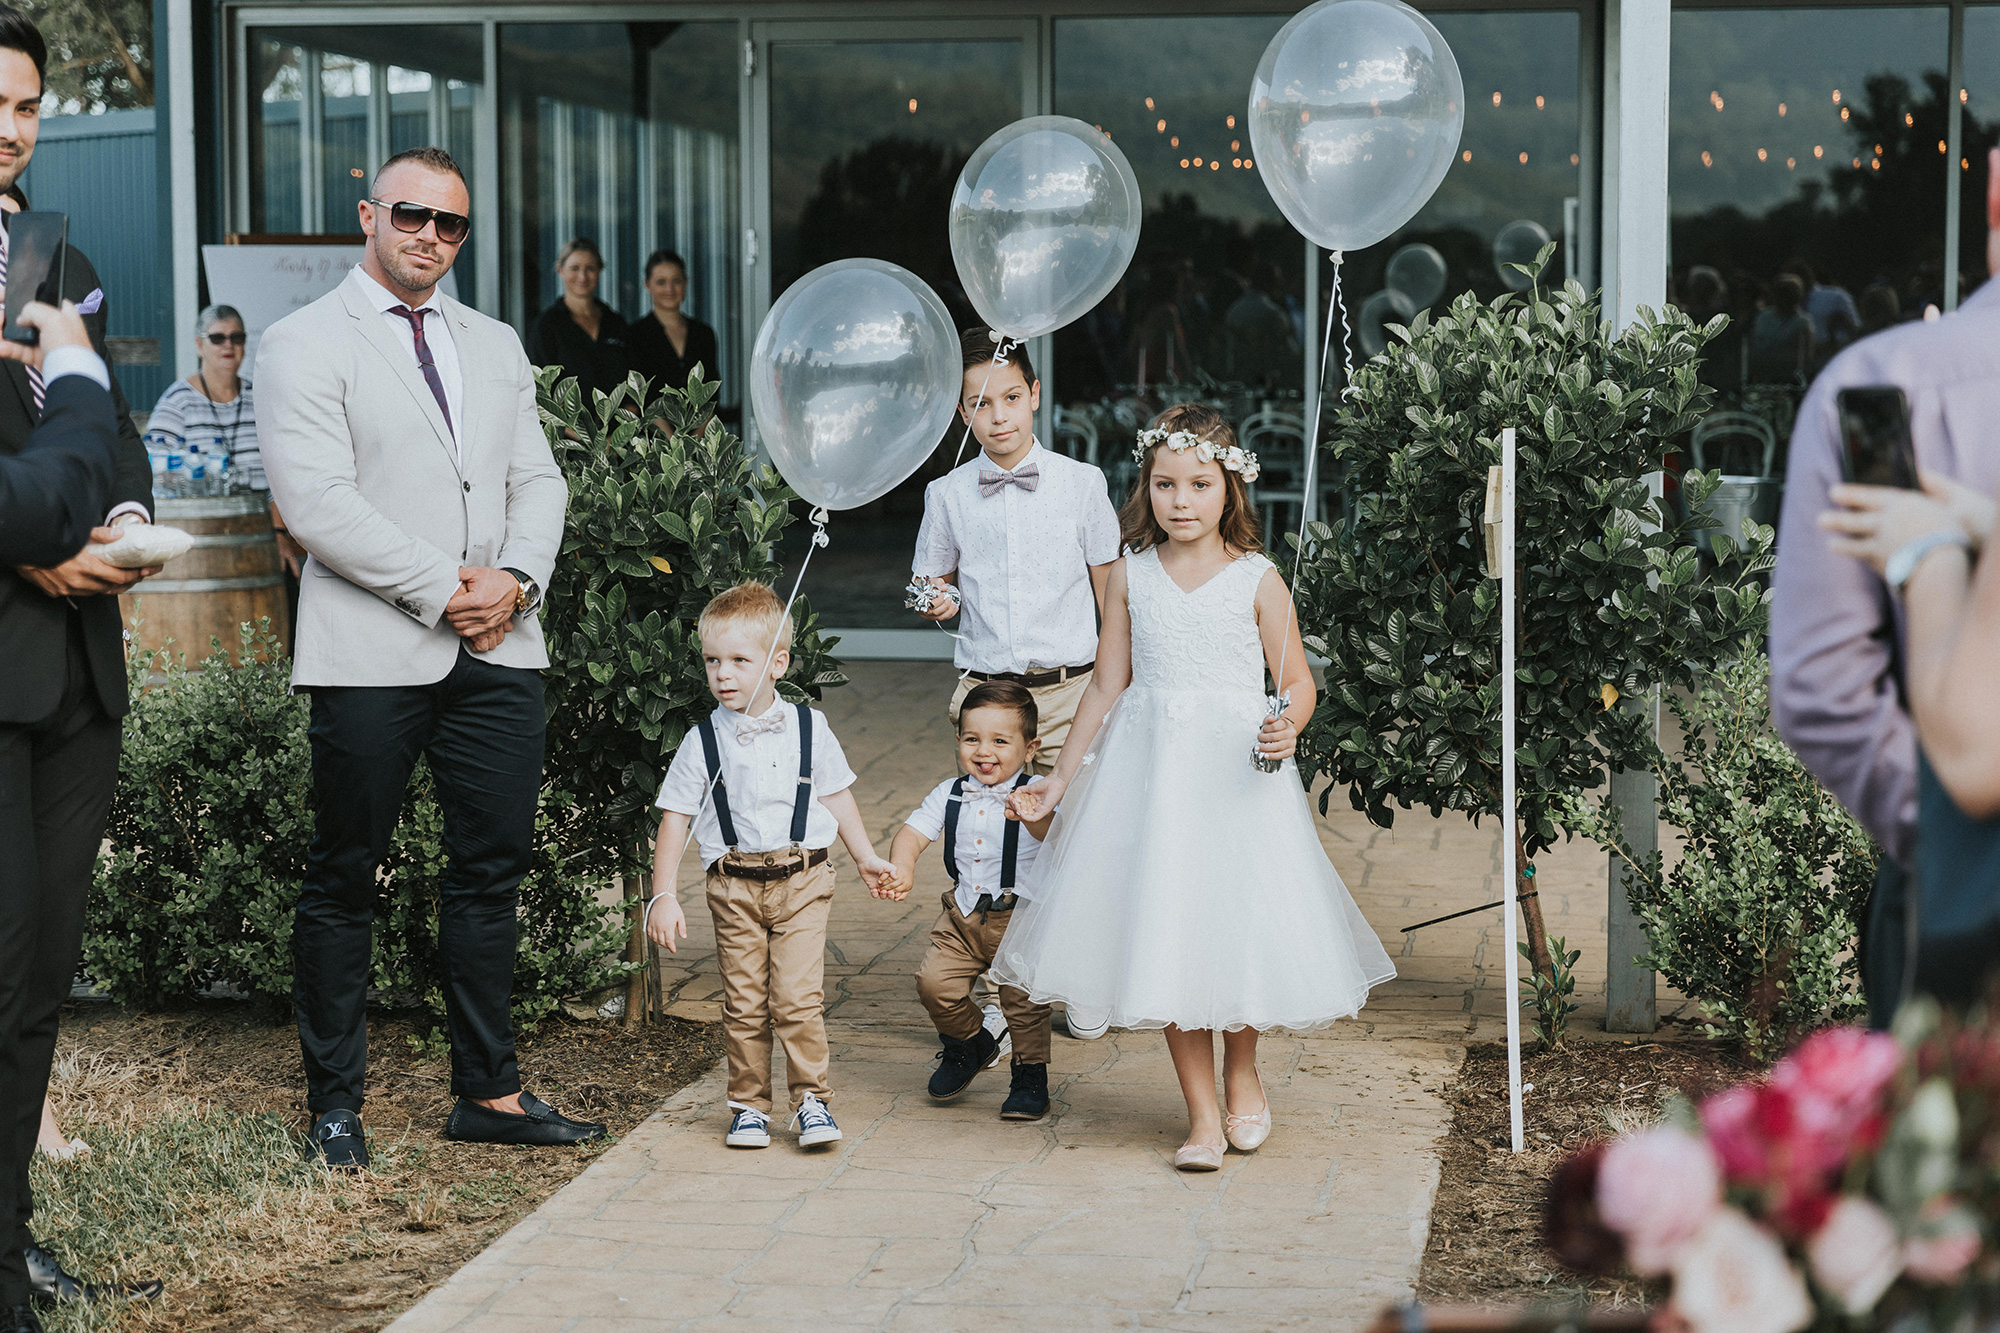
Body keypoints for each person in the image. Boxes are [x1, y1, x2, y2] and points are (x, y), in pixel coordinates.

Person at [257, 145, 599, 1169]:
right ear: (369, 213)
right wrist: (450, 589)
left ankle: (487, 1092)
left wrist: (519, 580)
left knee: (489, 873)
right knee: (343, 876)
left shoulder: (494, 342)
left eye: (451, 225)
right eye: (413, 216)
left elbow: (539, 480)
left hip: (501, 644)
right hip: (373, 649)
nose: (430, 239)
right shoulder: (299, 341)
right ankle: (334, 1108)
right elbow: (317, 504)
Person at [993, 404, 1395, 1172]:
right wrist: (1056, 781)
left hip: (1237, 782)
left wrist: (1290, 724)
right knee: (1166, 929)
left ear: (1229, 488)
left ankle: (1242, 1072)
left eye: (1199, 484)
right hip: (1154, 782)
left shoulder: (1258, 578)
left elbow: (1297, 681)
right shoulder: (1131, 577)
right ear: (1146, 487)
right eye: (1166, 484)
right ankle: (1201, 1113)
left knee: (1232, 925)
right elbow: (1107, 684)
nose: (1182, 501)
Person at [0, 9, 169, 1323]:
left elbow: (109, 434)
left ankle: (9, 1248)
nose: (14, 129)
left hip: (80, 673)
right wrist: (35, 548)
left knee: (39, 985)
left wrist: (112, 527)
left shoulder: (60, 260)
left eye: (26, 107)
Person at [1770, 145, 2000, 1026]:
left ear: (1992, 196)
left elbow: (1824, 693)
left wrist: (1944, 845)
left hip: (1952, 921)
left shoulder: (1880, 396)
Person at [644, 582, 895, 1152]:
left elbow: (836, 796)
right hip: (732, 885)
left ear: (777, 663)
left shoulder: (811, 728)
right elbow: (676, 818)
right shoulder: (701, 740)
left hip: (804, 879)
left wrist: (866, 858)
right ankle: (749, 1107)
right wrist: (662, 894)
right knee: (745, 1001)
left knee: (797, 998)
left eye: (739, 660)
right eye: (712, 661)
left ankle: (810, 1101)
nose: (723, 674)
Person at [910, 330, 1121, 776]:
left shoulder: (1082, 483)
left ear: (1034, 395)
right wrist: (934, 602)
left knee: (1072, 826)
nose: (999, 416)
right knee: (987, 834)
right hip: (986, 700)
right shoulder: (946, 493)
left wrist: (1120, 681)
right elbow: (930, 582)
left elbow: (1111, 594)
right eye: (981, 403)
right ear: (962, 413)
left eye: (1011, 397)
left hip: (1072, 693)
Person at [876, 680, 1056, 1121]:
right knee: (934, 984)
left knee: (1023, 1002)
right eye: (972, 739)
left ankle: (1029, 1077)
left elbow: (1053, 837)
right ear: (958, 741)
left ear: (1029, 748)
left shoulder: (1039, 792)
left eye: (1000, 741)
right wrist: (903, 865)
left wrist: (1031, 816)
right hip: (961, 914)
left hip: (1019, 916)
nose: (984, 751)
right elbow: (914, 832)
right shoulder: (949, 792)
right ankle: (969, 1043)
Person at [528, 237, 628, 398]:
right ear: (560, 271)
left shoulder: (615, 323)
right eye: (574, 268)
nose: (582, 277)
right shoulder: (546, 325)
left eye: (590, 268)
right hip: (567, 423)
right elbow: (539, 385)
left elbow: (631, 381)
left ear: (600, 270)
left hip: (619, 422)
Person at [624, 249, 718, 395]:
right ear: (647, 285)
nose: (670, 289)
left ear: (685, 282)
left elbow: (711, 393)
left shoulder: (703, 334)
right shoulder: (634, 336)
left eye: (676, 281)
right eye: (661, 282)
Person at [1749, 274, 1816, 384]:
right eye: (1780, 293)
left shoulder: (1803, 322)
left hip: (1789, 380)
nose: (1783, 297)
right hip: (1762, 377)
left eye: (1788, 293)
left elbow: (1807, 356)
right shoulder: (1762, 317)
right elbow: (1753, 344)